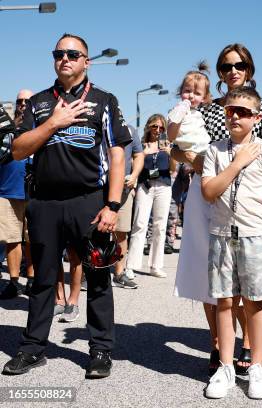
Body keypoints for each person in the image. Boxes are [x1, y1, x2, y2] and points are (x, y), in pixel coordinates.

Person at [2, 33, 130, 379]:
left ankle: (101, 350)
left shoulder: (104, 101)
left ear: (86, 61)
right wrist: (53, 123)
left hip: (89, 202)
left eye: (73, 54)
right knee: (42, 279)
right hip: (44, 202)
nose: (65, 58)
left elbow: (117, 155)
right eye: (59, 53)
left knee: (98, 277)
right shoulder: (40, 103)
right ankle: (32, 349)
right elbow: (18, 150)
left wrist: (113, 204)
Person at [173, 47, 262, 375]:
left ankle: (248, 341)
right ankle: (218, 343)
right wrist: (203, 164)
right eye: (226, 66)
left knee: (247, 279)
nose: (233, 70)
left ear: (250, 67)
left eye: (240, 64)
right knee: (213, 276)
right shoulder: (206, 110)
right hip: (208, 198)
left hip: (248, 204)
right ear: (219, 72)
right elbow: (174, 148)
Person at [202, 86, 262, 399]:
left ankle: (256, 367)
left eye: (243, 111)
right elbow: (209, 192)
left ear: (257, 117)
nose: (236, 116)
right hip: (222, 235)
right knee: (224, 301)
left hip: (253, 236)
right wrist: (237, 163)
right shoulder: (215, 150)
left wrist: (258, 216)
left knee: (255, 300)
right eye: (230, 110)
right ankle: (225, 367)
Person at [125, 114, 173, 278]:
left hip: (163, 187)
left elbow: (173, 169)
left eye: (161, 128)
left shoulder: (167, 145)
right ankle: (131, 265)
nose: (158, 130)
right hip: (145, 186)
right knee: (139, 224)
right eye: (155, 126)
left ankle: (155, 266)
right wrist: (143, 154)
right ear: (149, 127)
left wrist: (170, 153)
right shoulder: (141, 145)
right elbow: (134, 167)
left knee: (160, 226)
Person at [0, 90, 35, 300]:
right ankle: (14, 282)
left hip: (34, 191)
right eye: (20, 101)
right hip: (7, 189)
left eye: (27, 101)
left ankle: (31, 280)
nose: (23, 104)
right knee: (12, 239)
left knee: (32, 239)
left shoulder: (39, 125)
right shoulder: (5, 126)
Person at [112, 125, 143, 288]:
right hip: (98, 186)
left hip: (123, 188)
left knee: (121, 232)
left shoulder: (130, 130)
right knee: (93, 231)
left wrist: (135, 175)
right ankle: (88, 274)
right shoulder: (99, 123)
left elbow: (139, 154)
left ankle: (119, 274)